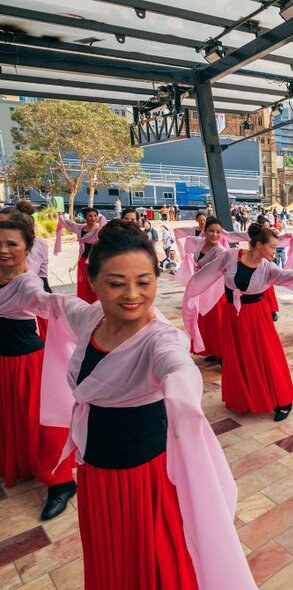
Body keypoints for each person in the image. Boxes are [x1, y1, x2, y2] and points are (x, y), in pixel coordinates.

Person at [10, 220, 257, 589]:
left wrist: (181, 389)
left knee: (150, 564)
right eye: (116, 283)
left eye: (144, 282)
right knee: (111, 560)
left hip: (142, 480)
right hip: (95, 472)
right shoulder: (91, 318)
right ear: (92, 281)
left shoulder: (160, 341)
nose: (132, 294)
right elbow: (54, 305)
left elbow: (176, 367)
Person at [182, 224, 293, 421]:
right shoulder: (231, 256)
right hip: (232, 314)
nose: (275, 252)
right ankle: (243, 398)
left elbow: (288, 277)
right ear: (259, 245)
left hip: (256, 317)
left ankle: (283, 400)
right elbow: (207, 273)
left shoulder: (268, 268)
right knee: (237, 355)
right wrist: (192, 290)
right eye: (272, 248)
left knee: (266, 354)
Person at [0, 210, 76, 521]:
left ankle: (61, 482)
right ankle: (17, 463)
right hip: (2, 363)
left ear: (27, 248)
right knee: (8, 416)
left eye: (11, 244)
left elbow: (47, 303)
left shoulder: (27, 282)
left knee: (44, 424)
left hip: (28, 362)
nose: (3, 250)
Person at [176, 216, 225, 363]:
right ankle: (211, 349)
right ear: (204, 231)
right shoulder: (199, 242)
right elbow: (188, 241)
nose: (215, 235)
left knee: (217, 323)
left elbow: (217, 272)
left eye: (218, 232)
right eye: (211, 231)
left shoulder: (220, 251)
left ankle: (223, 354)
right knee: (204, 322)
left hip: (214, 293)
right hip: (201, 289)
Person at [53, 208, 108, 303]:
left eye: (95, 216)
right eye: (90, 216)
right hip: (83, 259)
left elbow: (104, 222)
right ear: (85, 218)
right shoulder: (79, 228)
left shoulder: (99, 230)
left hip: (95, 261)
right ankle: (86, 302)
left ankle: (98, 303)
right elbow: (68, 223)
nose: (93, 218)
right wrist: (60, 217)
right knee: (85, 283)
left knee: (96, 282)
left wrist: (100, 217)